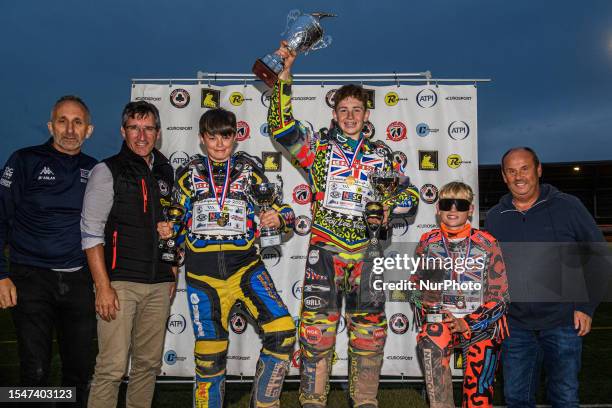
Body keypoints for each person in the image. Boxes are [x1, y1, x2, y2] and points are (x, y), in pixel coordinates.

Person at [268, 42, 419, 407]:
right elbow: (282, 126)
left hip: (368, 255)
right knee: (316, 334)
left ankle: (365, 401)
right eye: (343, 110)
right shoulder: (317, 149)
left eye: (357, 109)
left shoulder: (381, 155)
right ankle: (313, 401)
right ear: (334, 114)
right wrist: (284, 76)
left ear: (367, 114)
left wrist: (390, 210)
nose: (350, 116)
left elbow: (410, 196)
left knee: (369, 335)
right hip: (326, 252)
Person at [157, 108, 296, 408]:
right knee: (209, 358)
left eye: (226, 136)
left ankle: (263, 404)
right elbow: (174, 222)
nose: (220, 144)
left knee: (282, 332)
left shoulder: (250, 169)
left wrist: (277, 218)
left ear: (236, 136)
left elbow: (286, 212)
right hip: (203, 278)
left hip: (245, 269)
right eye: (212, 137)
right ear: (201, 139)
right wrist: (168, 229)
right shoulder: (188, 174)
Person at [485, 147, 608, 408]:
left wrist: (586, 307)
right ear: (504, 177)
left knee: (564, 398)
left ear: (539, 170)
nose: (519, 176)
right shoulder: (496, 216)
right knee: (516, 398)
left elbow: (597, 257)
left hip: (563, 322)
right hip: (515, 326)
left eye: (525, 168)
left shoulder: (568, 206)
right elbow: (491, 270)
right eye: (511, 171)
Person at [0, 95, 97, 406]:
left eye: (77, 122)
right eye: (62, 121)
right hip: (30, 278)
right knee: (36, 371)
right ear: (50, 125)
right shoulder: (24, 160)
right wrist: (1, 276)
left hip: (79, 281)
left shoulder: (96, 170)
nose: (70, 129)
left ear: (89, 130)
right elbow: (0, 217)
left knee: (80, 371)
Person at [81, 101, 176, 408]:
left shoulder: (166, 171)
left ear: (157, 133)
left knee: (148, 366)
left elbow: (171, 225)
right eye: (134, 128)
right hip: (119, 284)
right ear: (123, 131)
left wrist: (171, 270)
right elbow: (91, 234)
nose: (141, 136)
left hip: (159, 284)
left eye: (148, 128)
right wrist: (103, 286)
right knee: (112, 367)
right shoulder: (107, 170)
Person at [410, 182, 509, 408]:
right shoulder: (428, 241)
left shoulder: (487, 242)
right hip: (443, 322)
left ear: (471, 210)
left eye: (460, 205)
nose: (453, 210)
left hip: (481, 326)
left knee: (479, 398)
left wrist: (467, 323)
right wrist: (425, 304)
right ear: (438, 209)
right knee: (431, 338)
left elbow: (501, 297)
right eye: (447, 204)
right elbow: (415, 284)